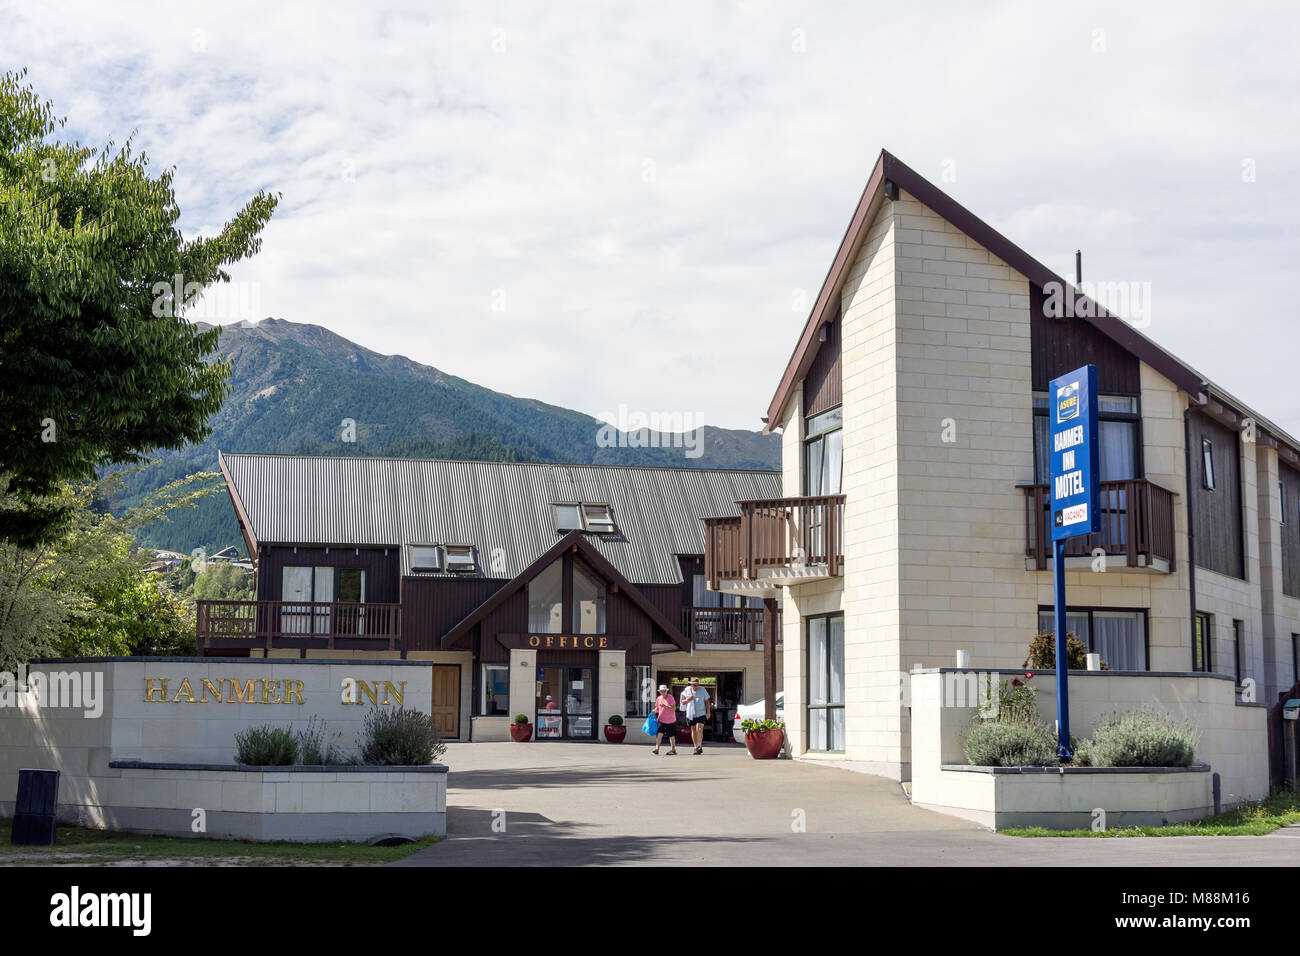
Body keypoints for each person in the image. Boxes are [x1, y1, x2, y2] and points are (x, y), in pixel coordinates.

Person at [681, 676, 711, 755]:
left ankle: (699, 746)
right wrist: (688, 699)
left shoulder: (702, 689)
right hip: (691, 713)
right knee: (693, 729)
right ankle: (695, 747)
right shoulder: (687, 691)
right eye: (694, 685)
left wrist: (708, 712)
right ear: (691, 685)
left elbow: (707, 701)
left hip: (701, 713)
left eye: (697, 685)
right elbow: (682, 702)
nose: (695, 686)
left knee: (699, 728)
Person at [651, 684, 678, 755]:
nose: (663, 692)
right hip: (661, 719)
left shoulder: (670, 697)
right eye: (661, 691)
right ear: (659, 692)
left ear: (666, 691)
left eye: (664, 691)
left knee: (671, 735)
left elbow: (673, 708)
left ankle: (673, 750)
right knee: (659, 734)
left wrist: (665, 706)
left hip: (670, 720)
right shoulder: (658, 698)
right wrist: (654, 711)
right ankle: (657, 749)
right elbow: (657, 708)